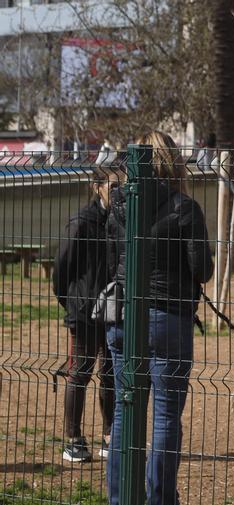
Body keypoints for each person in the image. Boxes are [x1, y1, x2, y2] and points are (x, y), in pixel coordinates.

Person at [104, 131, 214, 505]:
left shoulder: (118, 204)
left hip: (122, 316)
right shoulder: (185, 208)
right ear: (174, 163)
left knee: (123, 409)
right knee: (166, 414)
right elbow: (202, 268)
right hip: (167, 317)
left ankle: (120, 504)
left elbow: (112, 258)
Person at [52, 166, 120, 463]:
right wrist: (72, 303)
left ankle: (109, 435)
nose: (119, 192)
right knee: (79, 373)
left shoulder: (121, 221)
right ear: (98, 187)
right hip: (83, 311)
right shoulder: (82, 221)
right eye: (113, 186)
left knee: (110, 374)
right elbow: (61, 269)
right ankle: (74, 438)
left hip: (114, 310)